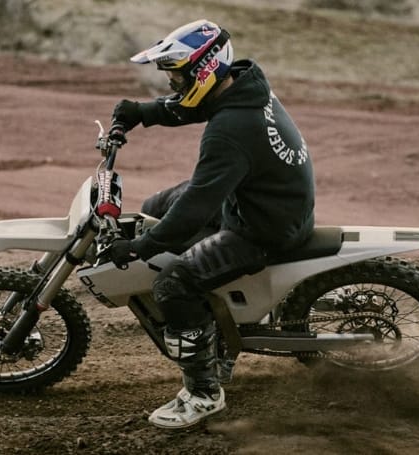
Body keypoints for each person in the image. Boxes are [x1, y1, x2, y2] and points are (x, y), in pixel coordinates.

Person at [107, 19, 315, 429]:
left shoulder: (230, 132)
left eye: (177, 75)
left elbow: (196, 209)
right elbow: (197, 105)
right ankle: (217, 317)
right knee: (155, 205)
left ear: (204, 71)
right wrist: (141, 113)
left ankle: (204, 393)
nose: (172, 83)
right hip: (264, 200)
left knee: (172, 283)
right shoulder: (243, 85)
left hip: (262, 229)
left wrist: (140, 249)